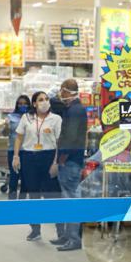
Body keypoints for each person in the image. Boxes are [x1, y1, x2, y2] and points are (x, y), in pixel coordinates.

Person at [12, 91, 62, 242]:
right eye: (41, 100)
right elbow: (19, 137)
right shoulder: (26, 118)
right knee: (33, 194)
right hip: (29, 158)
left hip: (48, 157)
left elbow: (59, 143)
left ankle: (61, 231)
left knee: (53, 196)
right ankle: (35, 229)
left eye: (46, 99)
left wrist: (56, 162)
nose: (45, 102)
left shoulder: (56, 119)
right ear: (34, 103)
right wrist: (16, 156)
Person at [50, 79, 88, 251]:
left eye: (61, 91)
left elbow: (71, 137)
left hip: (71, 161)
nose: (60, 94)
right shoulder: (73, 109)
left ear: (66, 92)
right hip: (71, 159)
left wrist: (62, 159)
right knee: (66, 199)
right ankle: (67, 235)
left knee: (71, 200)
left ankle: (74, 239)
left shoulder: (75, 111)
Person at [3, 95, 31, 198]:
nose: (22, 105)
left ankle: (22, 202)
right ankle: (12, 202)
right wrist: (6, 126)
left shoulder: (32, 117)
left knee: (25, 178)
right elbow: (5, 134)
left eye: (25, 103)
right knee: (14, 177)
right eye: (20, 104)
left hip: (28, 151)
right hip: (13, 151)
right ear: (17, 105)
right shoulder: (11, 117)